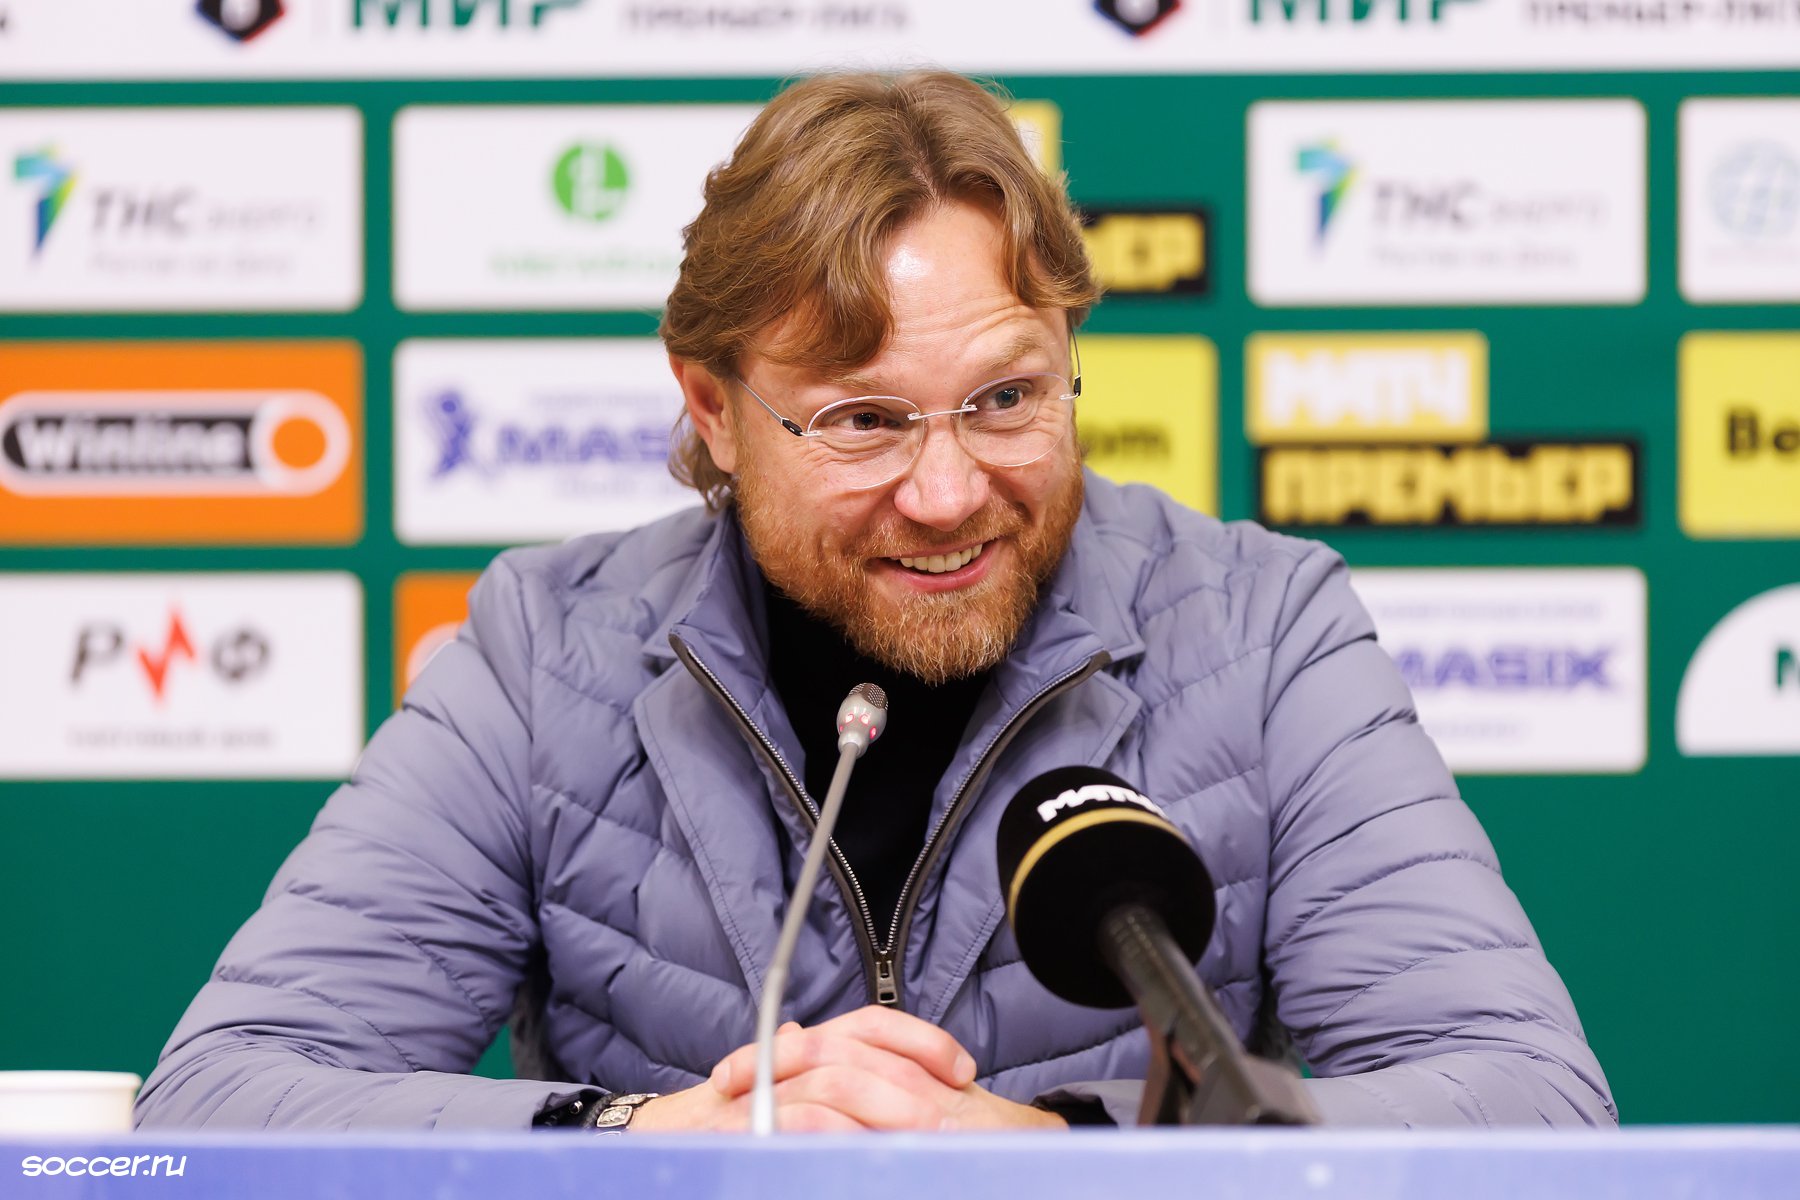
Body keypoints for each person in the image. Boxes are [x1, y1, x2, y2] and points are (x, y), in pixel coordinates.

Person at [134, 70, 1614, 1133]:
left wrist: (1067, 1161)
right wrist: (639, 1144)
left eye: (1006, 399)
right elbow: (221, 1095)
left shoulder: (1260, 632)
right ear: (712, 409)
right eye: (863, 421)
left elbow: (1530, 1101)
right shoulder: (546, 654)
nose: (950, 490)